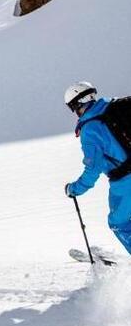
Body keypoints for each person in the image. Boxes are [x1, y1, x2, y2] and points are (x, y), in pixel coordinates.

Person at [64, 82, 131, 254]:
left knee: (119, 223)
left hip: (125, 180)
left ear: (78, 104)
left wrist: (74, 189)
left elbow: (93, 169)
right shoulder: (116, 106)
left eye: (73, 108)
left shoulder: (90, 129)